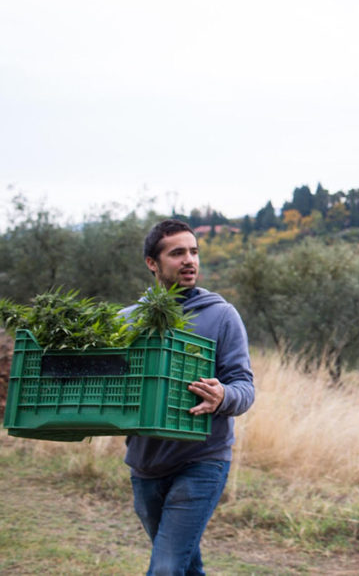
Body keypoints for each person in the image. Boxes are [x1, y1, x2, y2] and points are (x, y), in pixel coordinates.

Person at [123, 219, 255, 576]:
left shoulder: (222, 316)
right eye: (177, 252)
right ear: (153, 263)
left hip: (202, 460)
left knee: (166, 567)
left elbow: (245, 387)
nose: (189, 260)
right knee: (183, 563)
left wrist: (223, 395)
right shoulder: (129, 321)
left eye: (194, 251)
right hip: (145, 464)